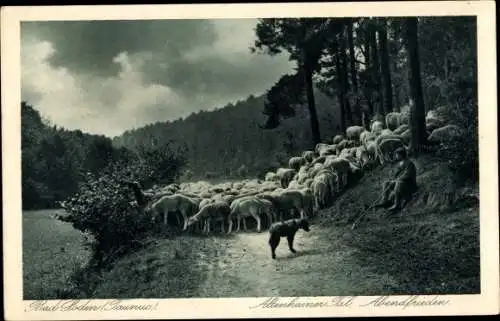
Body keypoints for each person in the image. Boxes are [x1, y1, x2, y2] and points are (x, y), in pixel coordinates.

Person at [375, 147, 417, 212]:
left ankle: (397, 204)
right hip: (401, 183)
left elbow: (407, 175)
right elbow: (396, 175)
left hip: (410, 185)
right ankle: (384, 201)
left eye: (397, 155)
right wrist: (393, 180)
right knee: (386, 183)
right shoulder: (400, 163)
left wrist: (396, 180)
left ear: (401, 155)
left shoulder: (409, 164)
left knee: (398, 183)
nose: (396, 156)